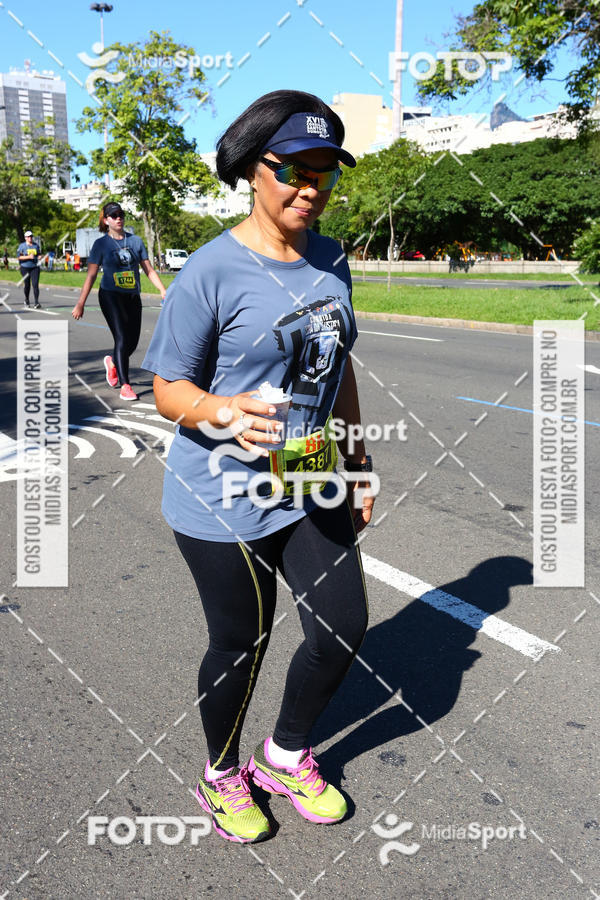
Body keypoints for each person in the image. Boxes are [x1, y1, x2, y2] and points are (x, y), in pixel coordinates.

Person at [142, 90, 376, 844]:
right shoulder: (210, 270)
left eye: (324, 174)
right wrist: (219, 411)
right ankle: (221, 772)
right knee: (242, 642)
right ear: (251, 169)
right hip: (222, 492)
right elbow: (166, 388)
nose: (311, 188)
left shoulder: (333, 258)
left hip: (310, 467)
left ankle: (285, 753)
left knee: (341, 626)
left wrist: (359, 456)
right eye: (293, 172)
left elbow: (335, 362)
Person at [71, 202, 166, 401]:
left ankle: (113, 362)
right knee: (121, 338)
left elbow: (148, 269)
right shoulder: (101, 244)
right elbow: (91, 276)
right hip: (110, 296)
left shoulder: (135, 242)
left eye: (121, 214)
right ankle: (126, 385)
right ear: (106, 220)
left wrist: (162, 290)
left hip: (132, 296)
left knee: (133, 342)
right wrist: (80, 303)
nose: (118, 218)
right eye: (113, 215)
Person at [17, 231, 42, 308]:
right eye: (28, 237)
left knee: (35, 285)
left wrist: (39, 257)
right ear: (25, 238)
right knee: (27, 285)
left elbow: (39, 254)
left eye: (31, 236)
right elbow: (19, 257)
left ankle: (36, 302)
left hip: (35, 267)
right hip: (25, 268)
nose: (30, 238)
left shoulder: (36, 245)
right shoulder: (22, 246)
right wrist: (28, 257)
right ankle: (27, 300)